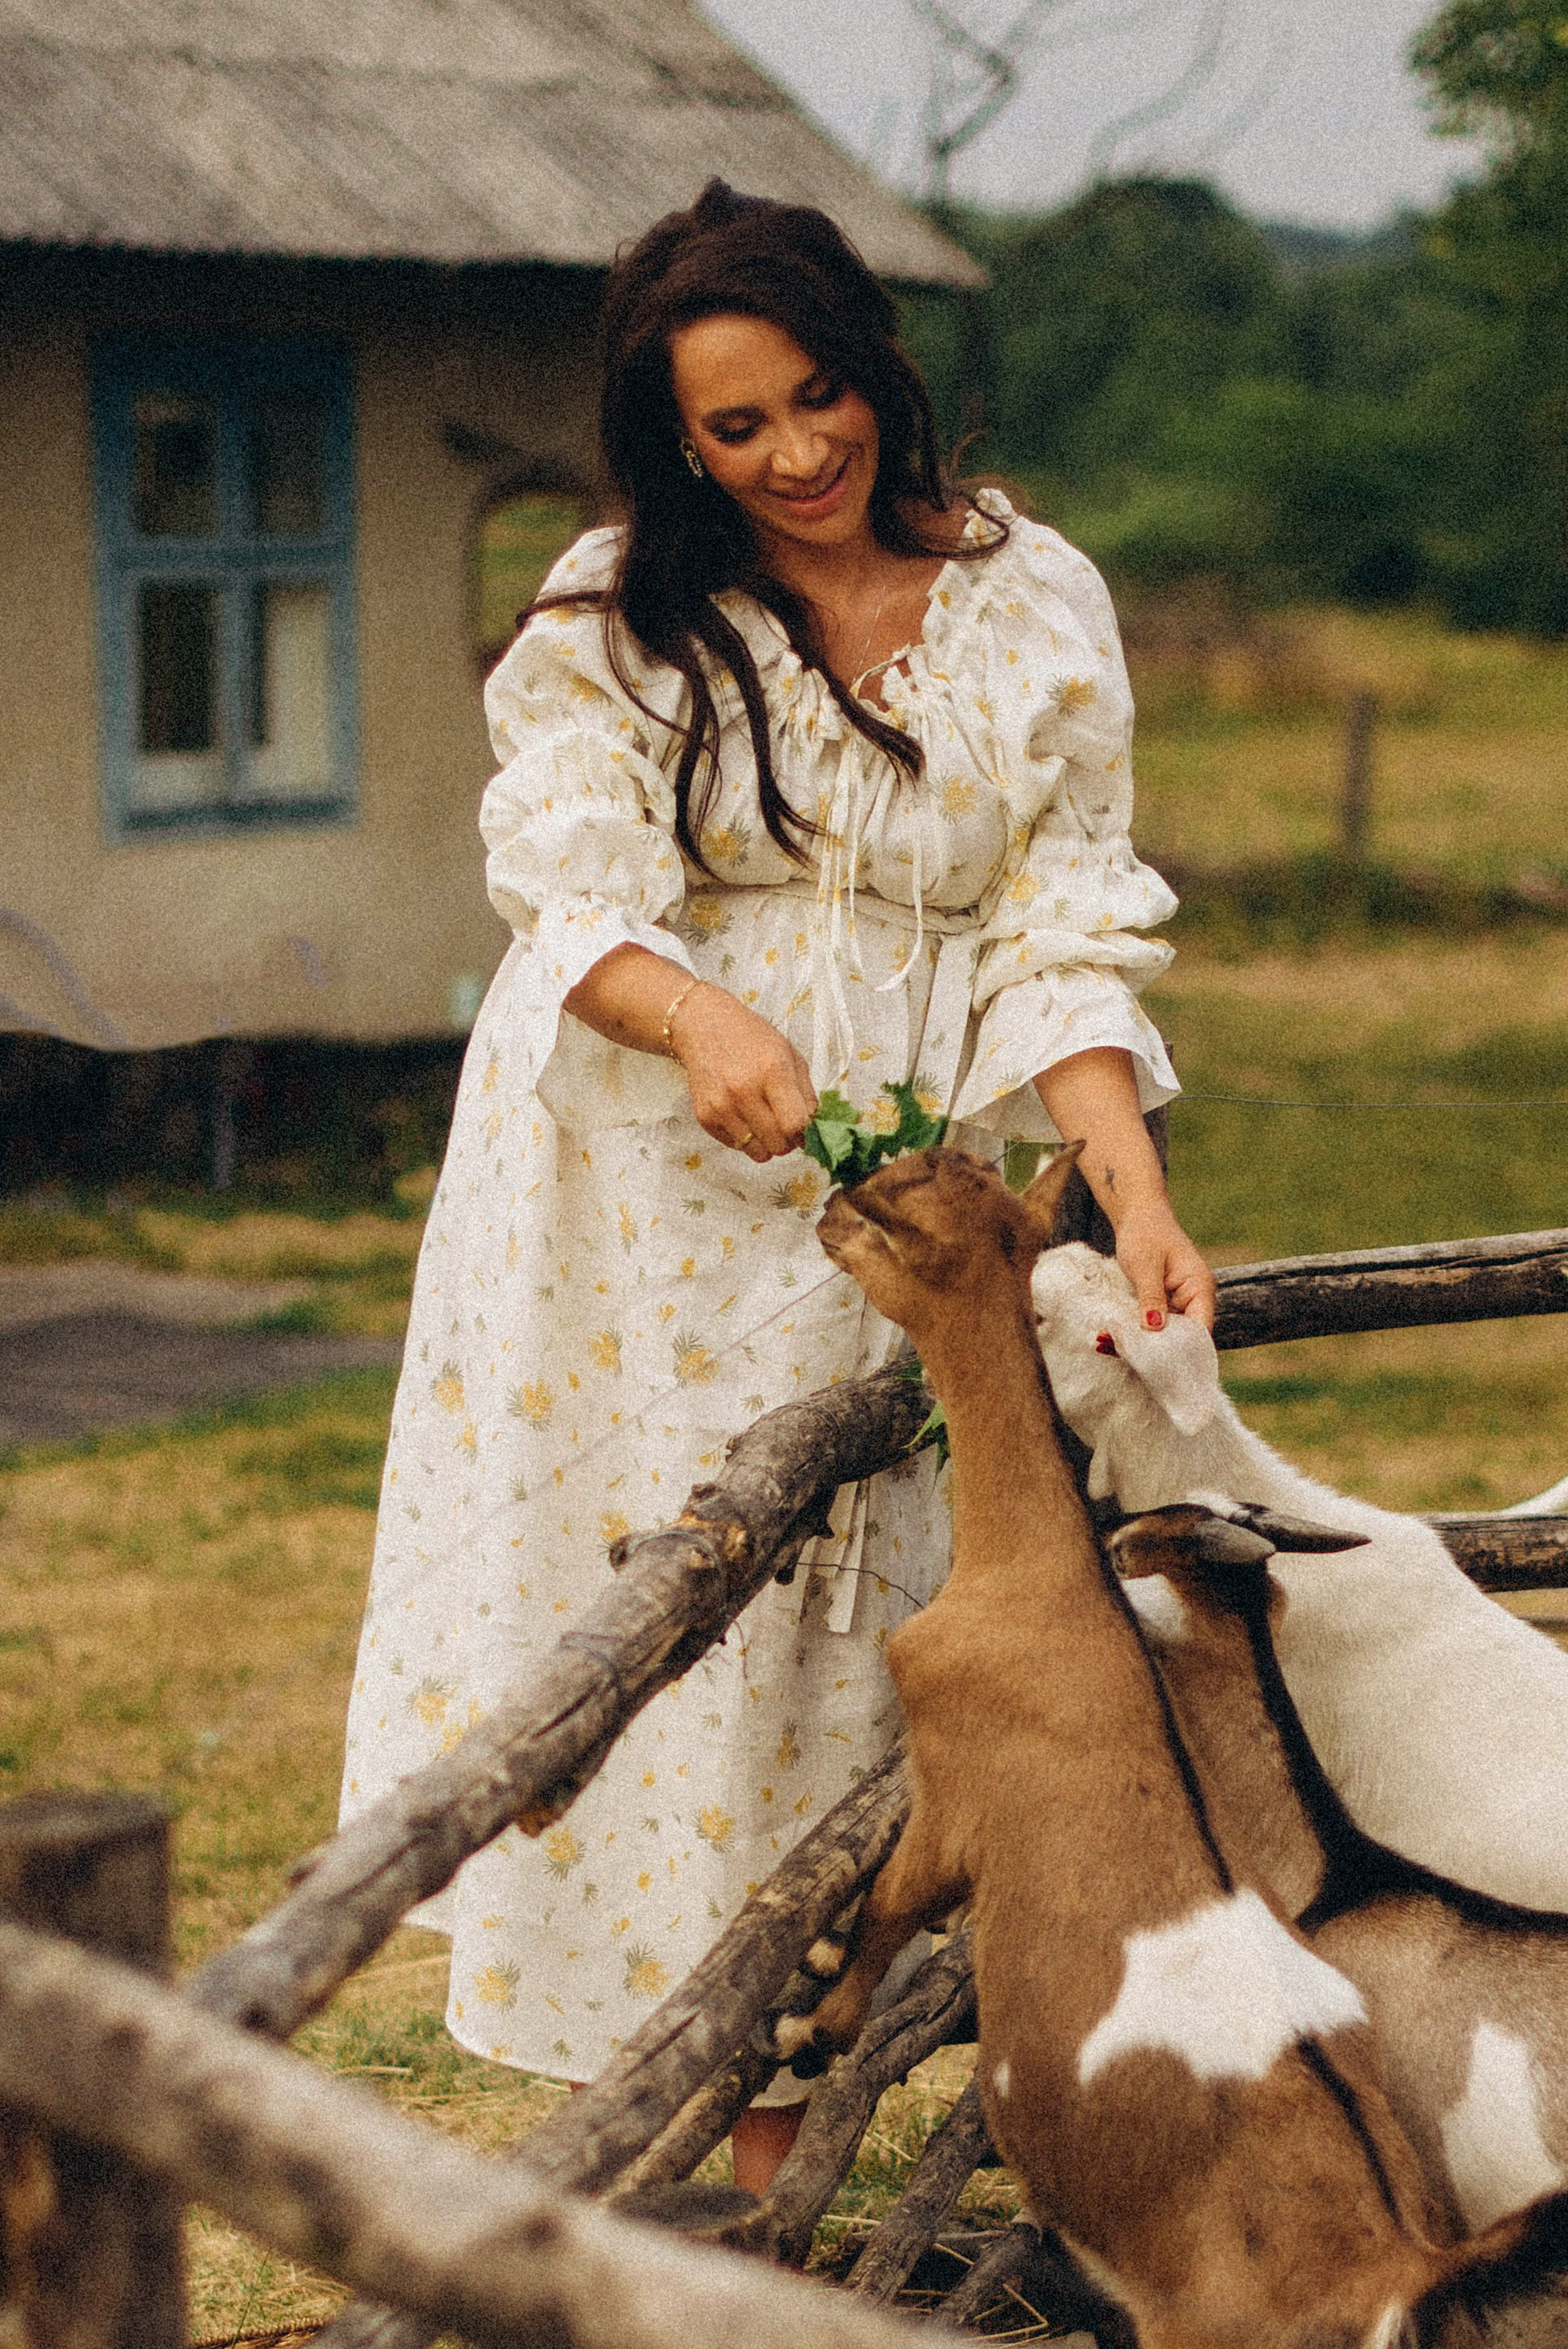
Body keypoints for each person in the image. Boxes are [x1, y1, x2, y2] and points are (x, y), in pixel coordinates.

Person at [339, 178, 1216, 2192]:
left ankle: (810, 2119)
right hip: (631, 1196)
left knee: (863, 1619)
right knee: (677, 1611)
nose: (798, 455)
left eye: (820, 397)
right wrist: (690, 1014)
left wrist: (1122, 1171)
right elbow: (563, 890)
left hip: (887, 1192)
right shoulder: (616, 616)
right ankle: (714, 2158)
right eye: (738, 429)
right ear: (678, 444)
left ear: (876, 372)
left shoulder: (1030, 597)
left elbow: (1057, 922)